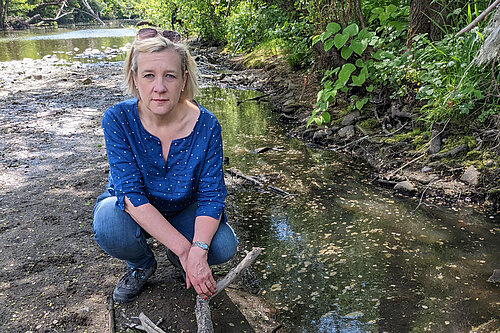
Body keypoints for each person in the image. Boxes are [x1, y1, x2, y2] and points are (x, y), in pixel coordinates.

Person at [92, 28, 238, 303]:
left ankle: (177, 255)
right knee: (108, 223)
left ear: (183, 80)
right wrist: (187, 251)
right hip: (133, 211)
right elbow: (131, 196)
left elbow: (212, 195)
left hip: (184, 209)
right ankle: (142, 264)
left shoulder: (207, 125)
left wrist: (199, 248)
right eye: (149, 75)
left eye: (169, 76)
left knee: (222, 245)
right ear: (135, 78)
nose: (159, 87)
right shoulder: (117, 119)